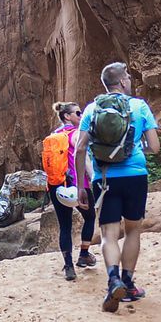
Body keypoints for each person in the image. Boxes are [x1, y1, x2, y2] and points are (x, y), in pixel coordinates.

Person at [74, 62, 161, 313]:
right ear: (122, 81)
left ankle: (113, 280)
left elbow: (80, 149)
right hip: (135, 176)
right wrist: (134, 149)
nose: (130, 80)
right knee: (133, 230)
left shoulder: (92, 109)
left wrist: (81, 184)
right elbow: (155, 147)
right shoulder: (139, 106)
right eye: (128, 77)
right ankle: (129, 284)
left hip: (103, 178)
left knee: (109, 233)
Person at [44, 102, 90, 280]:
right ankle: (84, 254)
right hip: (78, 185)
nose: (81, 116)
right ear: (67, 117)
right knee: (90, 217)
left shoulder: (54, 135)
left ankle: (69, 266)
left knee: (65, 225)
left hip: (56, 185)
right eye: (78, 113)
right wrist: (93, 179)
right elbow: (83, 158)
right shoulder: (76, 133)